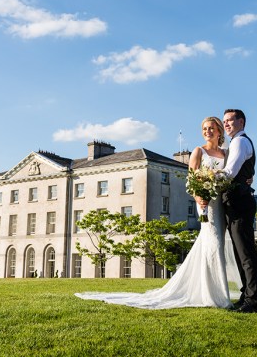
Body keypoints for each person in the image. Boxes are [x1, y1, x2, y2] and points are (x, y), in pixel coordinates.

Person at [75, 116, 240, 309]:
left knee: (213, 245)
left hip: (222, 202)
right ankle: (217, 297)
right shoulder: (198, 151)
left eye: (211, 128)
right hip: (206, 204)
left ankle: (208, 291)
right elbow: (192, 181)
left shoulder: (226, 153)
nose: (207, 131)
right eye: (204, 128)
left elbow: (233, 173)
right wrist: (198, 198)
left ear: (219, 130)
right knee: (213, 243)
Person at [221, 109, 257, 313]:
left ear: (241, 122)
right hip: (235, 201)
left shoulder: (240, 141)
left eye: (230, 120)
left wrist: (207, 179)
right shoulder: (235, 142)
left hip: (240, 202)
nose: (226, 124)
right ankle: (246, 295)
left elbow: (230, 173)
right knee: (239, 253)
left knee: (246, 254)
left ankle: (252, 301)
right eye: (224, 121)